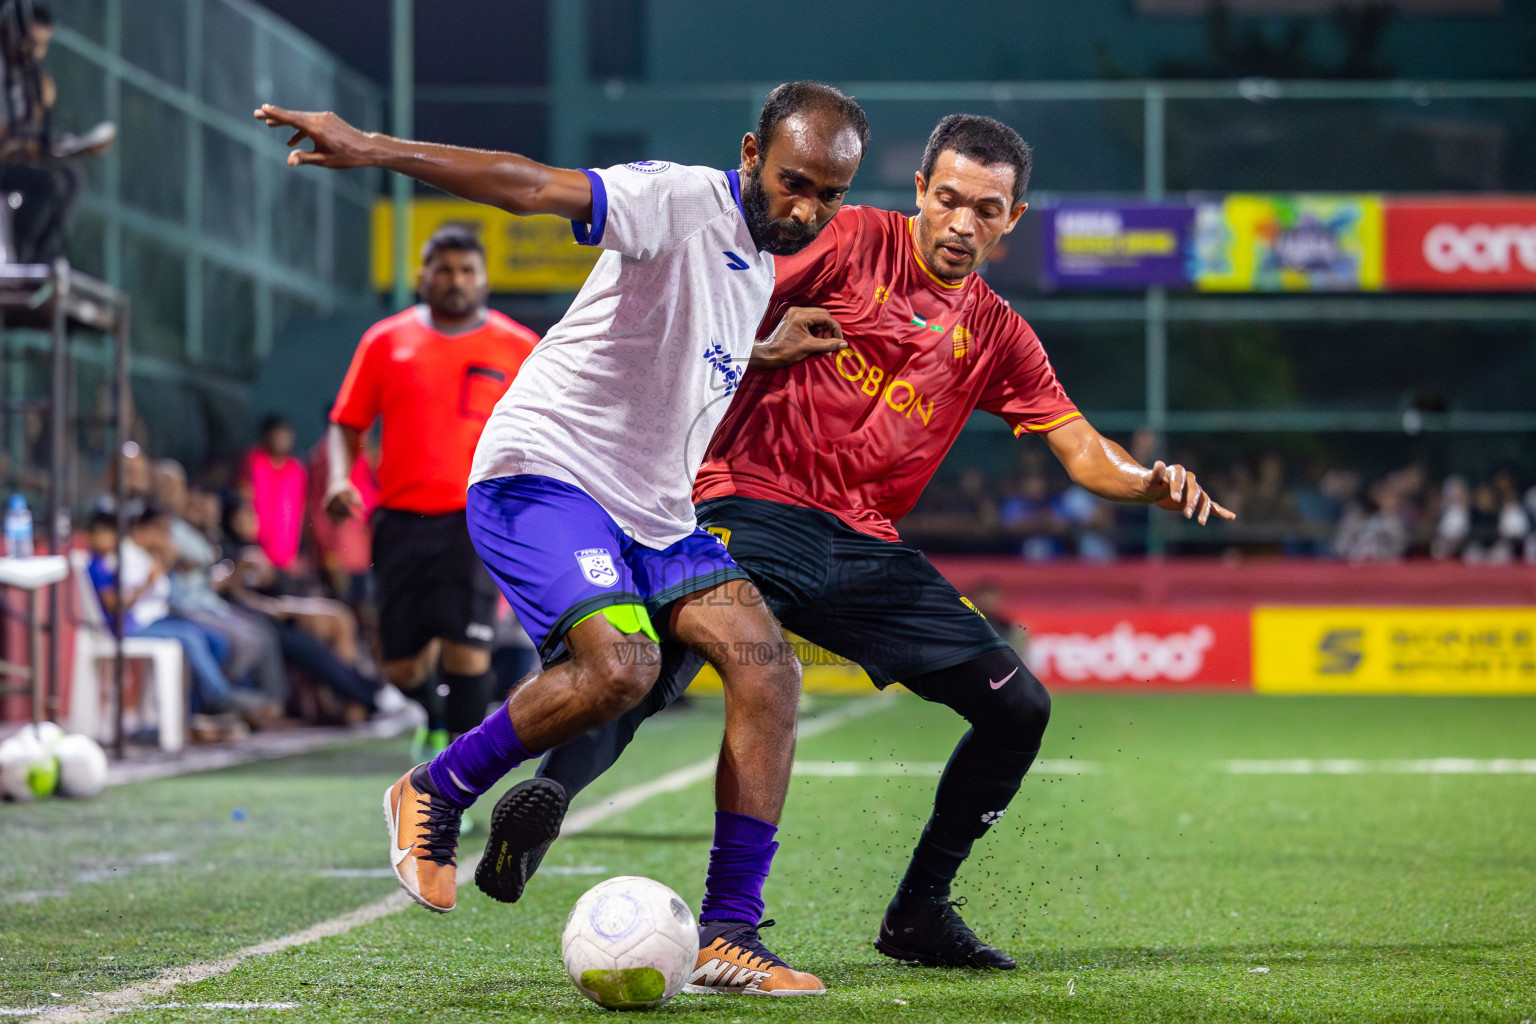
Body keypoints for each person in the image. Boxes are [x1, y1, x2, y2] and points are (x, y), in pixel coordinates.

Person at [487, 113, 1233, 972]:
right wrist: (760, 353)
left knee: (1018, 707)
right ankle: (549, 798)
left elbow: (1078, 445)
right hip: (747, 503)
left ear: (1013, 218)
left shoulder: (999, 335)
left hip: (866, 548)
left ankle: (918, 911)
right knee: (667, 660)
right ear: (920, 190)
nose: (962, 224)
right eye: (948, 199)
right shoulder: (841, 241)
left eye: (986, 210)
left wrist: (1142, 481)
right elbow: (714, 303)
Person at [257, 79, 866, 995]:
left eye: (829, 194)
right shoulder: (680, 199)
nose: (807, 206)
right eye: (794, 181)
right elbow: (533, 186)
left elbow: (680, 353)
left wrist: (767, 349)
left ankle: (730, 935)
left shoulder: (757, 258)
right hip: (545, 475)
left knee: (767, 667)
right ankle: (434, 789)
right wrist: (374, 146)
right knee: (620, 669)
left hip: (655, 512)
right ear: (750, 154)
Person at [324, 226, 538, 761]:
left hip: (477, 519)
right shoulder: (385, 340)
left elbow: (547, 425)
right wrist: (337, 478)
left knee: (468, 652)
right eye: (444, 269)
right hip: (398, 520)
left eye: (467, 270)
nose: (456, 280)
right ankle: (434, 716)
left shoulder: (519, 346)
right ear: (421, 277)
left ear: (485, 278)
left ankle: (454, 783)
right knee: (401, 666)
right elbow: (346, 423)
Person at [239, 416, 307, 574]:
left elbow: (299, 510)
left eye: (286, 436)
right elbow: (243, 493)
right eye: (278, 435)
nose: (282, 440)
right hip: (254, 547)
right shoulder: (254, 460)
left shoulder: (297, 470)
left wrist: (295, 552)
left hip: (284, 553)